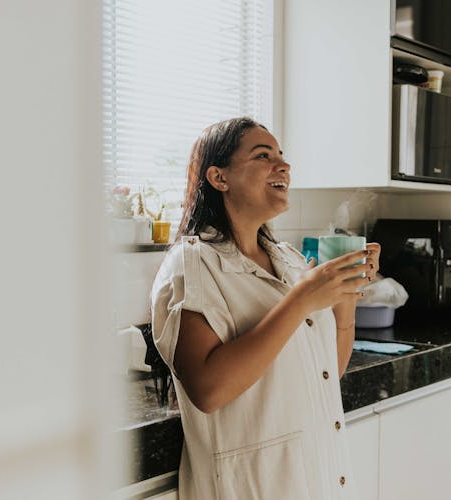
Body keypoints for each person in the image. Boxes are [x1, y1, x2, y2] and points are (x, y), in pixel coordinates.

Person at [151, 117, 380, 499]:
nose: (284, 166)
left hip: (320, 480)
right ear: (219, 178)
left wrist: (344, 298)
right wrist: (303, 299)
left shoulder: (289, 261)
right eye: (263, 155)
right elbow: (208, 390)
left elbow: (328, 372)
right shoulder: (193, 264)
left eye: (282, 156)